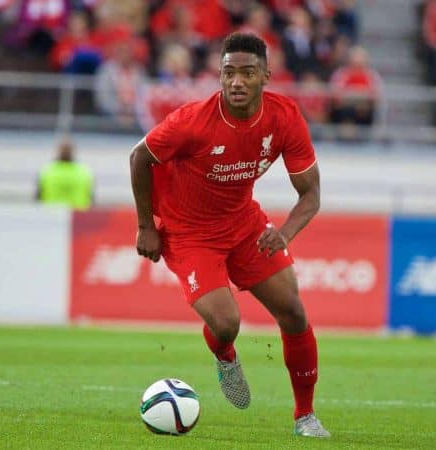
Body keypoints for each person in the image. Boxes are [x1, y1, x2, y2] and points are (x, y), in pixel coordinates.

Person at [129, 32, 330, 438]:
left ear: (266, 76)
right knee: (226, 323)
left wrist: (285, 234)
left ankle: (305, 416)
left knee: (293, 311)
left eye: (247, 72)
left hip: (243, 224)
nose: (237, 81)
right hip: (188, 233)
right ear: (219, 76)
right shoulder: (192, 122)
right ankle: (225, 355)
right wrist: (146, 225)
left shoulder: (284, 117)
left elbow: (310, 194)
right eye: (228, 72)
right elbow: (139, 157)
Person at [36, 137, 94, 210]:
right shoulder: (85, 172)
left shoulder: (46, 171)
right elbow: (91, 200)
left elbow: (38, 199)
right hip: (77, 216)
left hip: (51, 215)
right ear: (73, 151)